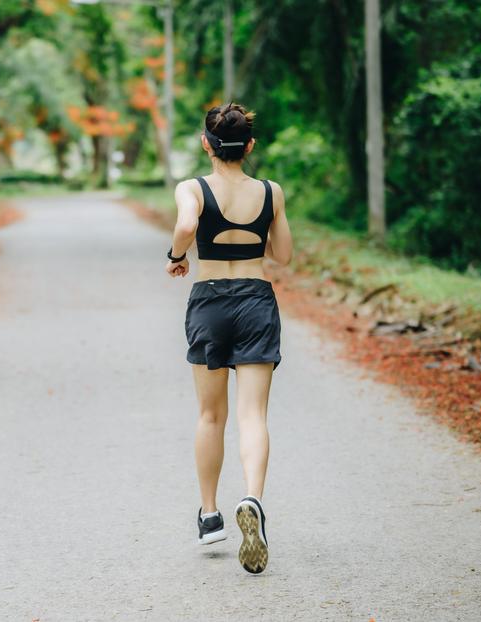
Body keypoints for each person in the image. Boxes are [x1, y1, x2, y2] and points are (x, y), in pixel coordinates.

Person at [165, 102, 293, 574]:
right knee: (252, 414)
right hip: (257, 297)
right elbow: (283, 254)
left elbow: (184, 226)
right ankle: (253, 499)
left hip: (211, 299)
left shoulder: (192, 188)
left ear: (207, 144)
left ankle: (211, 515)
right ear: (250, 146)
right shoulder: (270, 191)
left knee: (210, 415)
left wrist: (176, 254)